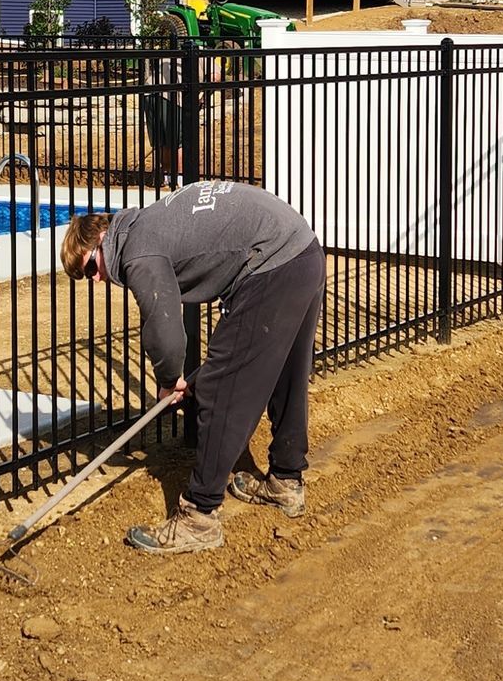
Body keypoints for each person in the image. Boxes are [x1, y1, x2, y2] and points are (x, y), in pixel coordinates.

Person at [59, 181, 325, 554]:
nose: (98, 279)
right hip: (303, 252)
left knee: (220, 389)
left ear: (101, 237)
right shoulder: (148, 224)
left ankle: (198, 517)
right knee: (287, 376)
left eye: (89, 268)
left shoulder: (137, 251)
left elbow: (163, 326)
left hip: (272, 263)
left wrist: (169, 381)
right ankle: (285, 480)